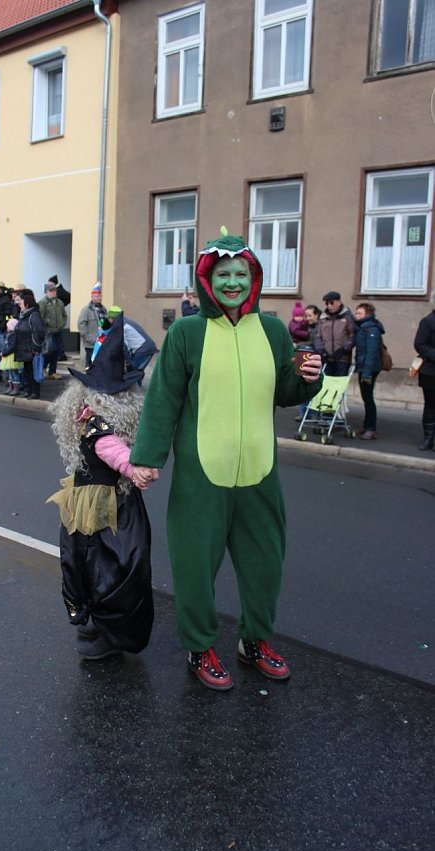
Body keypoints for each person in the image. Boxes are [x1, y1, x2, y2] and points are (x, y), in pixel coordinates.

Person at [130, 229, 322, 692]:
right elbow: (163, 399)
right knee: (195, 567)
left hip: (259, 472)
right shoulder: (186, 332)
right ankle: (199, 647)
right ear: (207, 281)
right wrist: (148, 457)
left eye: (240, 274)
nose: (232, 282)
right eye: (223, 275)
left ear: (253, 279)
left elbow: (284, 391)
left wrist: (307, 379)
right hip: (202, 476)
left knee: (265, 564)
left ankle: (254, 642)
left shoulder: (273, 331)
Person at [48, 312, 154, 660]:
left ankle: (101, 625)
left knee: (95, 563)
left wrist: (136, 468)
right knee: (109, 566)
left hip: (98, 502)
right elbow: (115, 452)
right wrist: (135, 470)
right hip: (106, 506)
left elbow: (117, 452)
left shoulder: (91, 417)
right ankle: (107, 626)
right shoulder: (97, 423)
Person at [354, 302, 385, 441]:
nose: (356, 315)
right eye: (356, 313)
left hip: (369, 369)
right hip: (364, 367)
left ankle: (371, 428)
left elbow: (371, 353)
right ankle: (367, 425)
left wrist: (367, 373)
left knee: (368, 398)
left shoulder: (372, 329)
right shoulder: (363, 327)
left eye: (359, 313)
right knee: (366, 397)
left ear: (368, 314)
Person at [106, 306, 158, 377]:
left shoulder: (121, 326)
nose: (108, 321)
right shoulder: (126, 321)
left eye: (109, 318)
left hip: (143, 349)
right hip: (147, 347)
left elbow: (124, 346)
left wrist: (128, 363)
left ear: (112, 318)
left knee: (132, 373)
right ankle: (137, 381)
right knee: (136, 372)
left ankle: (136, 383)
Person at [313, 291, 355, 376]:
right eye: (327, 303)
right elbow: (317, 336)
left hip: (342, 359)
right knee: (326, 382)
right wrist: (321, 350)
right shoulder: (323, 318)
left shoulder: (347, 317)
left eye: (332, 303)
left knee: (340, 382)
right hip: (326, 358)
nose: (329, 306)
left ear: (339, 302)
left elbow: (353, 335)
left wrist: (345, 349)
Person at [413, 291, 435, 451]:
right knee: (430, 405)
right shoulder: (427, 321)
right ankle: (428, 438)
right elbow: (420, 344)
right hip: (430, 371)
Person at [14, 289, 45, 400]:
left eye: (21, 303)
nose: (19, 305)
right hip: (24, 348)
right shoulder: (23, 315)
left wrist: (36, 348)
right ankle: (29, 390)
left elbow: (38, 332)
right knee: (27, 371)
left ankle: (35, 392)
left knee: (33, 371)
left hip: (31, 349)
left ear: (27, 305)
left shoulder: (34, 315)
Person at [38, 281, 66, 380]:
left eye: (54, 290)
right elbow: (40, 317)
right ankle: (43, 367)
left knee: (56, 351)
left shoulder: (59, 302)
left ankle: (52, 371)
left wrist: (63, 323)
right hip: (48, 332)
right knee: (49, 350)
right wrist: (45, 327)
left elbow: (64, 315)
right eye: (51, 290)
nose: (53, 292)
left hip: (58, 330)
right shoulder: (42, 303)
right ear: (46, 292)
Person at [77, 282, 107, 367]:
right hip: (91, 344)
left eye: (100, 296)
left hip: (101, 342)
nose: (99, 298)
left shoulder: (103, 309)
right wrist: (87, 337)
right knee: (90, 365)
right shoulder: (86, 309)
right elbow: (81, 324)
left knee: (100, 364)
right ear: (92, 296)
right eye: (97, 296)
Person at [0, 317, 24, 396]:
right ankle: (11, 387)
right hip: (8, 356)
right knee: (10, 373)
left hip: (11, 356)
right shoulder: (9, 334)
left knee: (14, 372)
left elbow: (12, 347)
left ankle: (16, 388)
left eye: (8, 326)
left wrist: (4, 353)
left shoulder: (13, 336)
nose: (7, 328)